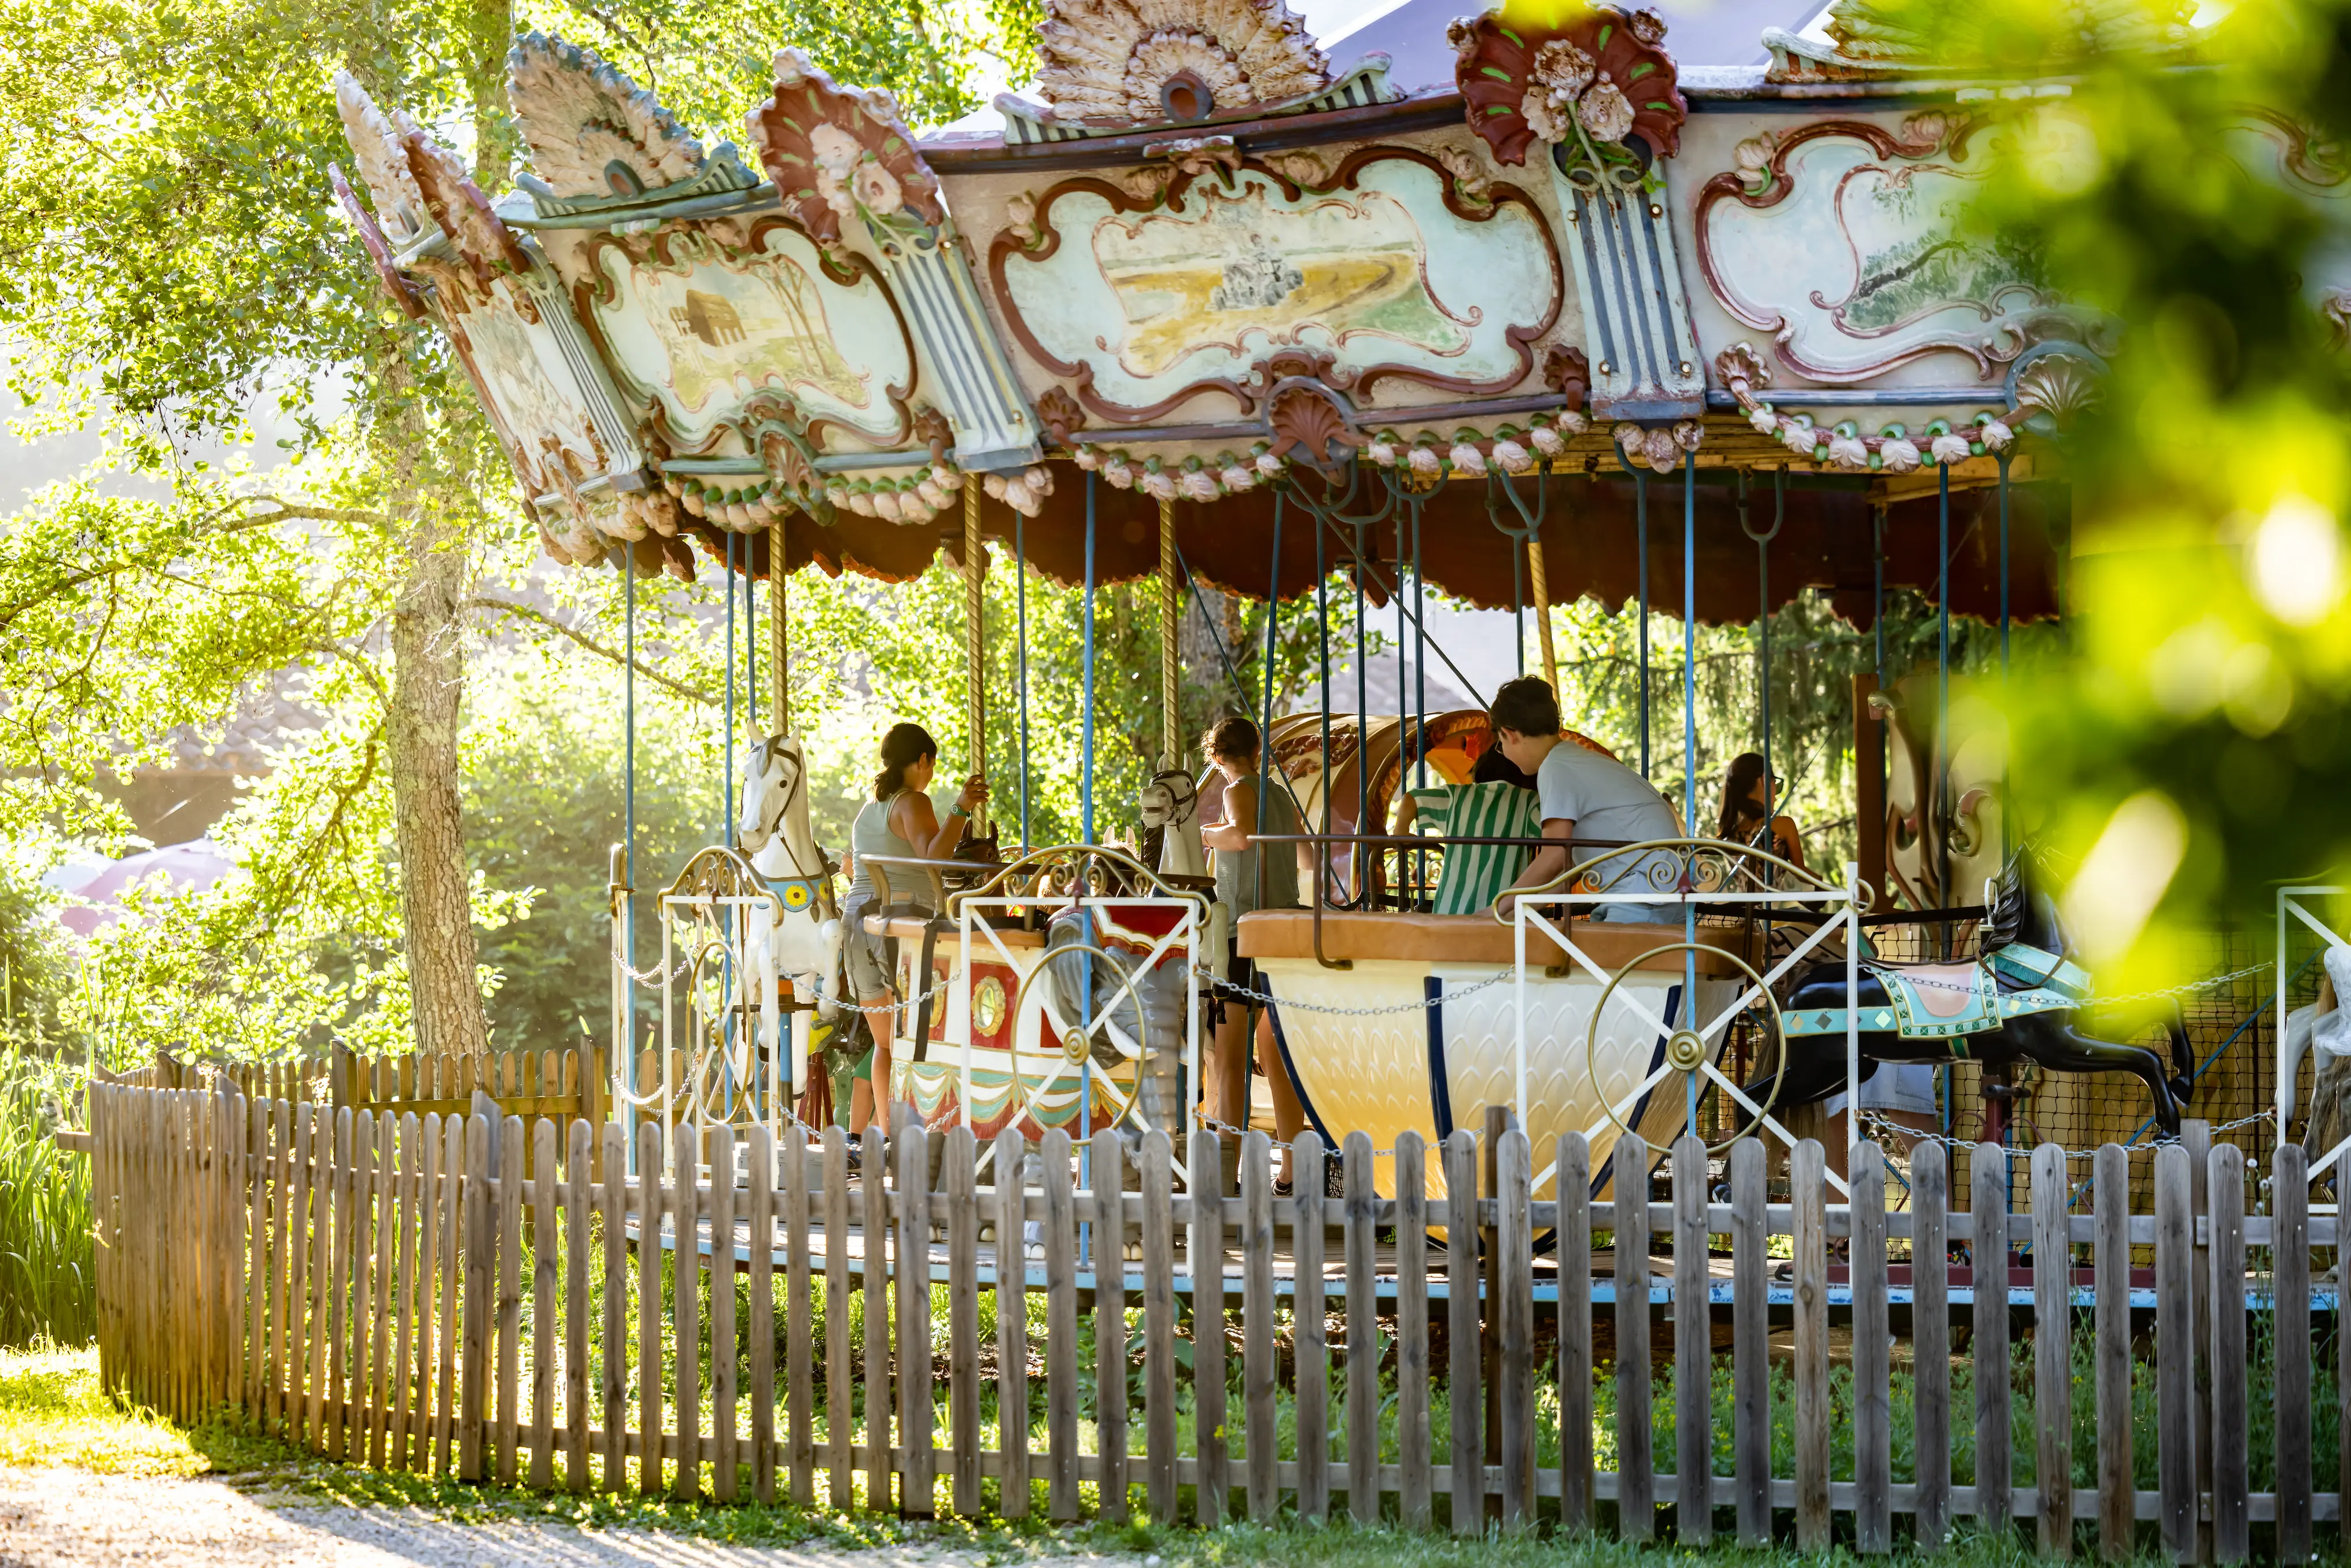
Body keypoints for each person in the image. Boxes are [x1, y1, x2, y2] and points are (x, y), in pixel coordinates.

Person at [840, 722, 989, 1139]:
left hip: (856, 924)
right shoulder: (913, 801)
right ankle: (910, 1134)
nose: (932, 775)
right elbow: (932, 859)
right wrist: (960, 809)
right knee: (905, 1038)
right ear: (921, 761)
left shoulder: (869, 810)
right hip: (896, 922)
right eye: (932, 765)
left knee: (887, 1043)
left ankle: (888, 1138)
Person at [1196, 716, 1306, 1184]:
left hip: (1244, 932)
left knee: (1231, 1059)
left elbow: (1239, 835)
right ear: (1257, 751)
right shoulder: (1281, 795)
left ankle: (1228, 1170)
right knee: (1277, 1054)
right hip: (1283, 927)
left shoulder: (1235, 789)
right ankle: (1292, 1167)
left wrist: (1206, 834)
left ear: (1218, 757)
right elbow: (1306, 855)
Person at [1486, 676, 1679, 921]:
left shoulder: (1556, 767)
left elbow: (1553, 856)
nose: (1504, 753)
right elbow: (1569, 869)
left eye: (1500, 744)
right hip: (1664, 889)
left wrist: (1496, 908)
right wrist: (1510, 914)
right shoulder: (1575, 759)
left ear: (1509, 734)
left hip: (1643, 896)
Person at [1390, 744, 1543, 915]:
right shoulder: (1530, 802)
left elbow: (1411, 799)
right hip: (1500, 915)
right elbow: (1554, 844)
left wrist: (1400, 834)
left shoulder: (1456, 796)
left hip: (1450, 911)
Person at [1716, 751, 1805, 872]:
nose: (1776, 796)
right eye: (1775, 782)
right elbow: (1802, 876)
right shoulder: (1783, 825)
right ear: (1764, 780)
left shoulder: (1729, 836)